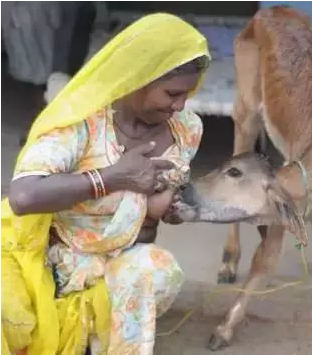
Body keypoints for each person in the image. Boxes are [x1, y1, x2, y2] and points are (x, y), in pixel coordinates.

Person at [1, 13, 210, 355]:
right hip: (45, 260)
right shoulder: (82, 121)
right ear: (139, 77)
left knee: (156, 271)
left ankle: (97, 335)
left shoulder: (186, 130)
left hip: (110, 265)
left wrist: (160, 210)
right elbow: (23, 196)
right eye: (172, 93)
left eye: (189, 93)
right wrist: (112, 177)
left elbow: (145, 226)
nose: (181, 104)